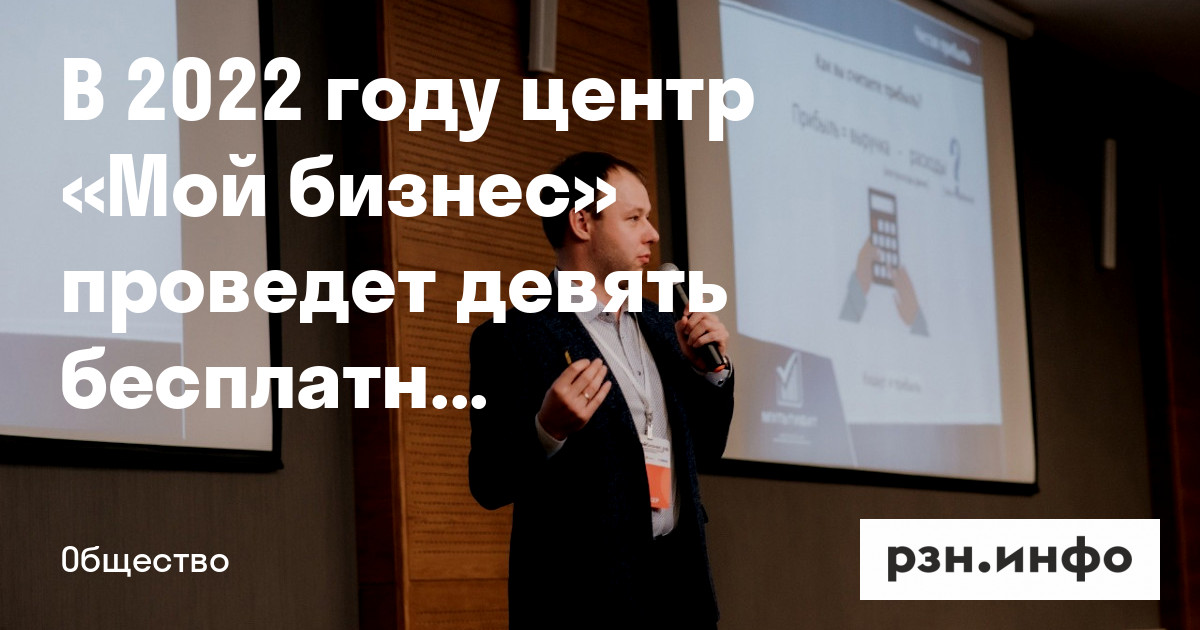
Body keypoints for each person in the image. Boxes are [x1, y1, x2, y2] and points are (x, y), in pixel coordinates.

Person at [468, 152, 735, 629]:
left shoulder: (665, 326)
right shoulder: (511, 337)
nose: (652, 234)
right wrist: (547, 430)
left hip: (679, 598)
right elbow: (488, 483)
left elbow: (707, 450)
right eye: (633, 218)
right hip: (582, 606)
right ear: (582, 222)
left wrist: (710, 376)